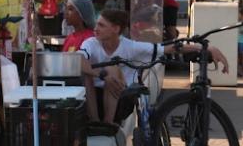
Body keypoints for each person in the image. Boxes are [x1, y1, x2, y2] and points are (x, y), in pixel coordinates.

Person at [79, 9, 227, 123]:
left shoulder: (130, 46)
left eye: (101, 25)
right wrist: (102, 75)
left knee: (111, 68)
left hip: (121, 101)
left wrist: (204, 48)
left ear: (116, 29)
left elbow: (169, 48)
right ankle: (95, 122)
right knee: (88, 73)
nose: (95, 28)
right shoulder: (90, 43)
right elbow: (78, 60)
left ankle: (108, 125)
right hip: (93, 99)